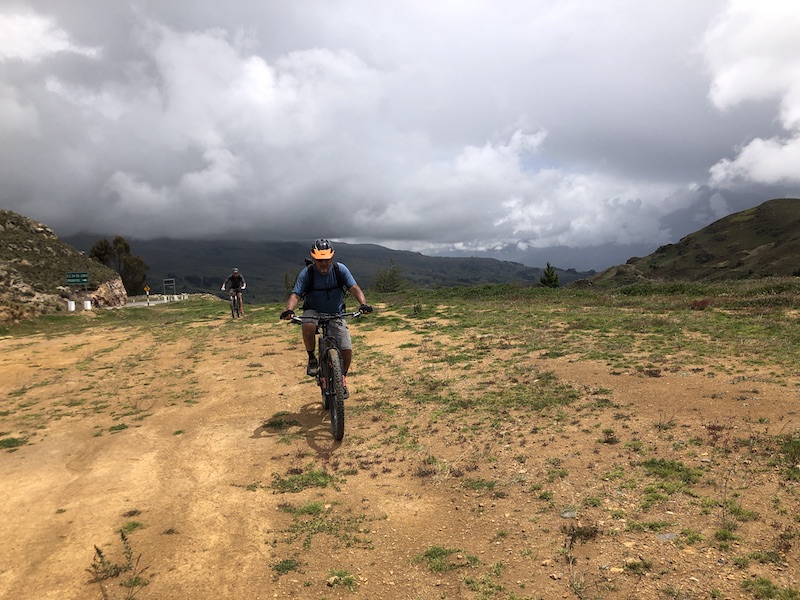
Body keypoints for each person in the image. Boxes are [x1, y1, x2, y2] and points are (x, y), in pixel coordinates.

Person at [280, 239, 372, 385]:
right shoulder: (308, 273)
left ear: (332, 258)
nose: (323, 263)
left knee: (346, 350)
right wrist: (289, 310)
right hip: (313, 310)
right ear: (313, 259)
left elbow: (354, 287)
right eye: (319, 260)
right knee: (308, 324)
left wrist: (363, 304)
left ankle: (341, 379)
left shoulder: (339, 269)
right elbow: (296, 294)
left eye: (327, 260)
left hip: (336, 312)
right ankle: (312, 358)